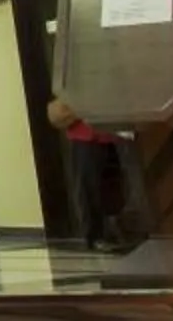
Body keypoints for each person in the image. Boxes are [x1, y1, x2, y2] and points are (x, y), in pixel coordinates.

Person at [48, 94, 130, 252]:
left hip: (107, 136)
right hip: (84, 137)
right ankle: (95, 237)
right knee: (89, 189)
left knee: (111, 186)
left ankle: (112, 231)